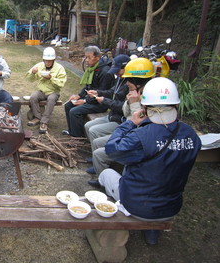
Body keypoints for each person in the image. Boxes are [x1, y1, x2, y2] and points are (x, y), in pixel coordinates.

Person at [98, 77, 201, 245]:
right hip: (171, 207)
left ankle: (117, 216)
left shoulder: (142, 136)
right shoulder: (191, 135)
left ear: (145, 107)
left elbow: (112, 149)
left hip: (138, 205)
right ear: (176, 105)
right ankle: (152, 232)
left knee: (106, 174)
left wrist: (130, 123)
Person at [86, 58, 155, 185]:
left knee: (98, 152)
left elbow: (136, 125)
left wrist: (133, 104)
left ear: (137, 80)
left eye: (129, 80)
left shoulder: (149, 97)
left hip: (136, 139)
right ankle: (100, 172)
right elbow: (124, 110)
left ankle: (104, 183)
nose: (126, 82)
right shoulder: (135, 92)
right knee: (96, 141)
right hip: (127, 130)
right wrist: (129, 102)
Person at [62, 46, 114, 137]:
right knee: (68, 105)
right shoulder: (93, 68)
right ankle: (72, 130)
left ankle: (77, 137)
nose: (86, 60)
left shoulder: (105, 72)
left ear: (97, 57)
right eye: (85, 57)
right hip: (91, 98)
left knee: (75, 111)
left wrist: (85, 101)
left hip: (100, 103)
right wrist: (79, 96)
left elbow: (101, 93)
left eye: (89, 57)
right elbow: (88, 86)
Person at [84, 54, 131, 146]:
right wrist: (98, 93)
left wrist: (104, 101)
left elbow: (124, 107)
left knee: (94, 130)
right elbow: (112, 92)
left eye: (118, 70)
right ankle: (95, 149)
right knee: (87, 125)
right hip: (112, 115)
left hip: (120, 119)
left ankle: (100, 153)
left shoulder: (130, 84)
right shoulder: (120, 79)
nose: (116, 73)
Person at [25, 47, 67, 134]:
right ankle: (37, 117)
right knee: (33, 96)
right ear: (43, 59)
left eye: (49, 61)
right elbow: (29, 79)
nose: (47, 62)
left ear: (54, 60)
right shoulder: (39, 65)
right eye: (45, 60)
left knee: (51, 99)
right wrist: (32, 72)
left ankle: (44, 122)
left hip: (53, 92)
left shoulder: (59, 68)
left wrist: (51, 78)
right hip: (42, 91)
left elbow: (61, 83)